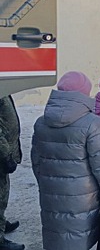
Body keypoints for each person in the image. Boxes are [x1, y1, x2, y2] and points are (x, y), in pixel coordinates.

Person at [31, 71, 100, 250]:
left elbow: (36, 162)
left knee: (57, 239)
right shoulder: (92, 123)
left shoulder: (41, 122)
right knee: (78, 240)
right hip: (83, 198)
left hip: (51, 195)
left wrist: (47, 184)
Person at [0, 96, 24, 250]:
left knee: (3, 191)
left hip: (4, 153)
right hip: (2, 153)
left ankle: (1, 222)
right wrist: (6, 155)